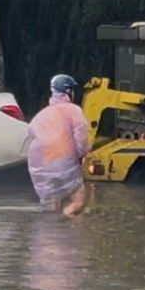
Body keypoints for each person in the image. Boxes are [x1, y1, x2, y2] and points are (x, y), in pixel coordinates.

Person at [27, 74, 91, 217]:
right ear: (69, 92)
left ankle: (53, 226)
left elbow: (31, 134)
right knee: (78, 201)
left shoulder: (40, 116)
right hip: (64, 162)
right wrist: (82, 153)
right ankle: (65, 222)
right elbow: (81, 137)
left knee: (53, 204)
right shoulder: (73, 110)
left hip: (41, 168)